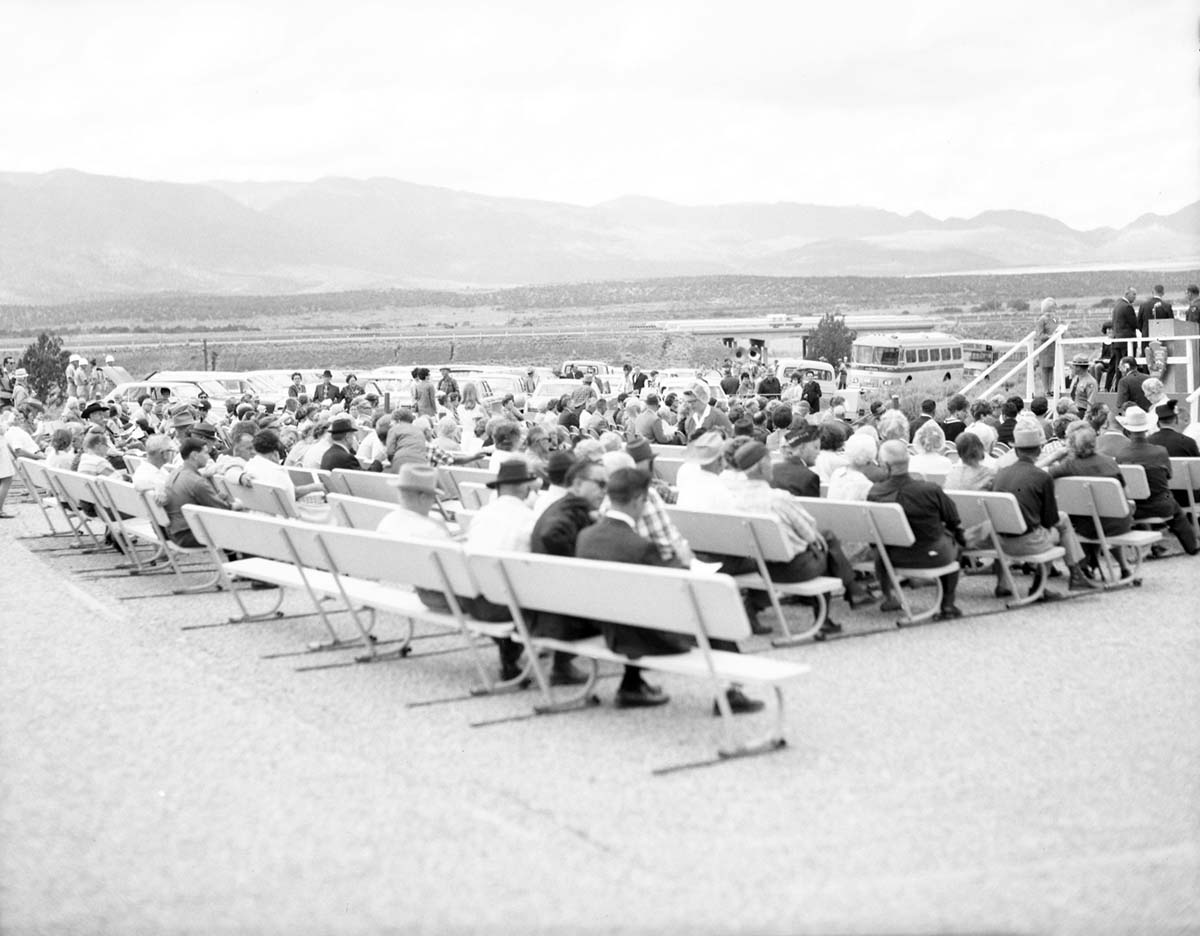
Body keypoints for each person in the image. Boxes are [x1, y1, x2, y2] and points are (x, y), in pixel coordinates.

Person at [576, 467, 763, 714]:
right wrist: (685, 561)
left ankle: (631, 684)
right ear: (638, 500)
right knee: (708, 613)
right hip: (638, 637)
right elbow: (673, 588)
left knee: (638, 605)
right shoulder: (640, 547)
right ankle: (730, 692)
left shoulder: (585, 537)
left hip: (607, 626)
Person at [725, 441, 862, 634]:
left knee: (823, 543)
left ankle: (853, 590)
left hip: (761, 566)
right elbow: (809, 531)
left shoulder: (734, 499)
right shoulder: (778, 499)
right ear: (763, 465)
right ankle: (826, 616)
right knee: (828, 545)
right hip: (793, 569)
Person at [992, 423, 1098, 594]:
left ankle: (1004, 584)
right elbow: (1050, 521)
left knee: (1057, 521)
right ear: (1039, 450)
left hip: (999, 542)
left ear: (1016, 451)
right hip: (1027, 544)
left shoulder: (1001, 474)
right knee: (1059, 524)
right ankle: (1050, 583)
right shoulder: (1042, 477)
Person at [463, 459, 543, 681]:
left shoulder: (482, 514)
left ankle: (509, 653)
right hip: (505, 606)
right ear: (525, 487)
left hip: (471, 599)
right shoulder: (529, 519)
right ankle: (516, 654)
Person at [867, 440, 965, 620]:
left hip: (892, 557)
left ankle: (890, 596)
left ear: (886, 465)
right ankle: (947, 604)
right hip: (932, 555)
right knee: (954, 541)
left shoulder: (875, 493)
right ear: (908, 461)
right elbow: (953, 519)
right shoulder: (930, 490)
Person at [1045, 422, 1134, 579]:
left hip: (1084, 526)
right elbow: (1127, 494)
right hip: (1116, 524)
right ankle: (1124, 566)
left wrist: (1053, 457)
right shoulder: (1110, 462)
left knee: (1083, 517)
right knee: (1104, 517)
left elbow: (1040, 474)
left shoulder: (1069, 466)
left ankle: (1084, 565)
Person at [1114, 406, 1199, 555]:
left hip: (1134, 508)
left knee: (1165, 500)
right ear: (1146, 429)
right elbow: (1168, 476)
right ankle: (1191, 546)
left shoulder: (1121, 455)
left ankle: (1153, 546)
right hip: (1161, 505)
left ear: (1127, 430)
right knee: (1173, 507)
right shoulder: (1159, 451)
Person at [162, 437, 231, 547]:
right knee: (239, 525)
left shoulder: (175, 472)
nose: (208, 457)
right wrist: (236, 505)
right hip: (189, 535)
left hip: (175, 531)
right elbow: (223, 509)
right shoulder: (196, 481)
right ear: (194, 455)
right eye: (205, 453)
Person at [770, 422, 821, 498]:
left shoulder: (771, 470)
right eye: (815, 447)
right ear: (802, 449)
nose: (818, 452)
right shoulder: (809, 477)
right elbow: (812, 509)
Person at [1110, 286, 1138, 382]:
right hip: (1126, 341)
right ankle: (1128, 385)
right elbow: (1134, 323)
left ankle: (1119, 387)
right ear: (1127, 293)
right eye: (1133, 294)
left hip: (1117, 340)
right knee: (1128, 366)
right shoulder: (1127, 307)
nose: (1135, 297)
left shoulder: (1117, 305)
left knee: (1119, 366)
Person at [1035, 297, 1060, 394]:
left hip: (1053, 347)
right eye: (1053, 307)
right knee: (1045, 369)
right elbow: (1039, 335)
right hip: (1045, 348)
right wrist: (1050, 336)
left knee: (1052, 368)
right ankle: (1046, 390)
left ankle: (1050, 389)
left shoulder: (1054, 319)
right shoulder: (1042, 320)